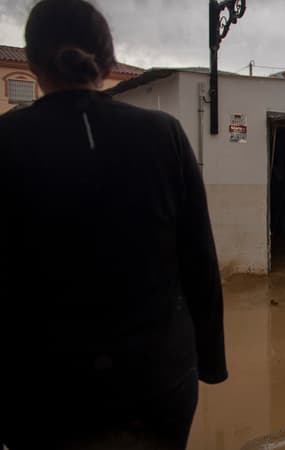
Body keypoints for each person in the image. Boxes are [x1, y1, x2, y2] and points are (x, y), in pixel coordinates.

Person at [0, 1, 227, 448]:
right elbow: (199, 260)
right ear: (107, 62)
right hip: (156, 383)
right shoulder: (164, 134)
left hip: (42, 390)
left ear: (32, 63)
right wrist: (211, 363)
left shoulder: (7, 141)